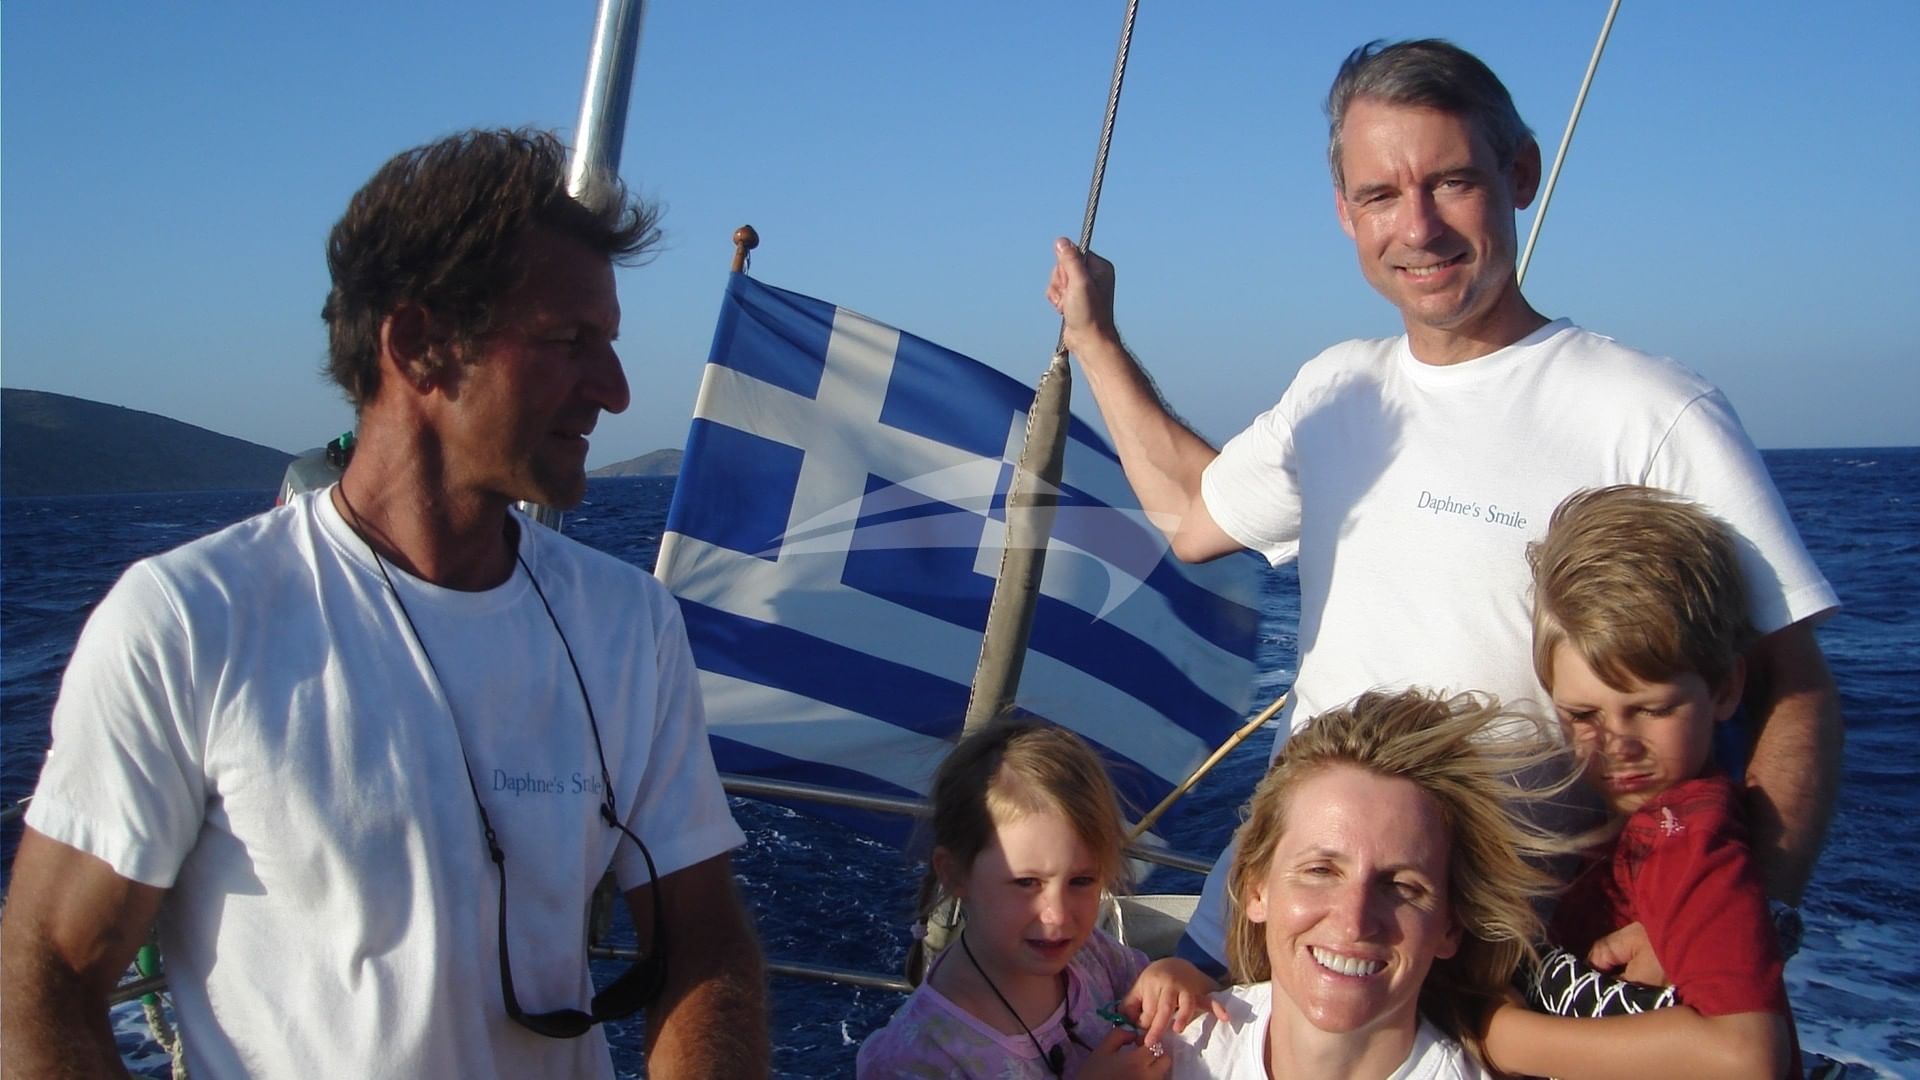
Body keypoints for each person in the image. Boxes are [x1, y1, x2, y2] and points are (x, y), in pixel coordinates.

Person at [1044, 37, 1840, 972]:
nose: (1417, 228)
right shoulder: (1337, 390)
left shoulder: (1654, 414)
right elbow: (1192, 517)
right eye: (1381, 195)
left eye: (1451, 182)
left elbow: (1794, 687)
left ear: (1521, 174)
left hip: (1496, 961)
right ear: (1345, 212)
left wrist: (1751, 912)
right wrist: (1095, 340)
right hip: (1268, 924)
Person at [0, 129, 768, 1078]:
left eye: (608, 345)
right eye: (570, 343)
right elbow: (49, 971)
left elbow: (699, 938)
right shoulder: (191, 621)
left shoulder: (630, 624)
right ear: (419, 347)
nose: (615, 391)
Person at [1477, 485, 1799, 1078]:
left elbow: (1748, 1057)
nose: (1618, 744)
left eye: (1652, 709)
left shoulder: (1685, 838)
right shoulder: (1642, 828)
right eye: (1583, 715)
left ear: (1726, 689)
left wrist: (1502, 1037)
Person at [1162, 689, 1565, 1079]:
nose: (1353, 923)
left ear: (1450, 927)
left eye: (1401, 887)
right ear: (1257, 890)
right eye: (1321, 871)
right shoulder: (1166, 1055)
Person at [857, 719, 1223, 1078]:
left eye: (1081, 880)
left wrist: (1175, 974)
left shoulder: (1092, 956)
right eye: (1027, 883)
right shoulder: (917, 1058)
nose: (1058, 916)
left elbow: (1159, 994)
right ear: (954, 874)